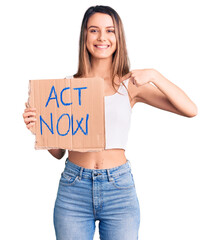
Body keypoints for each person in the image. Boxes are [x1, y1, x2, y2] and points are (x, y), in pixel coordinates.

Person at [23, 5, 197, 240]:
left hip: (118, 189)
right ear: (84, 36)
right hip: (74, 188)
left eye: (109, 31)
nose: (102, 37)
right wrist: (39, 129)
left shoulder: (129, 85)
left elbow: (190, 110)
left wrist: (155, 75)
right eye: (94, 30)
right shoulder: (65, 87)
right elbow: (58, 153)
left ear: (118, 37)